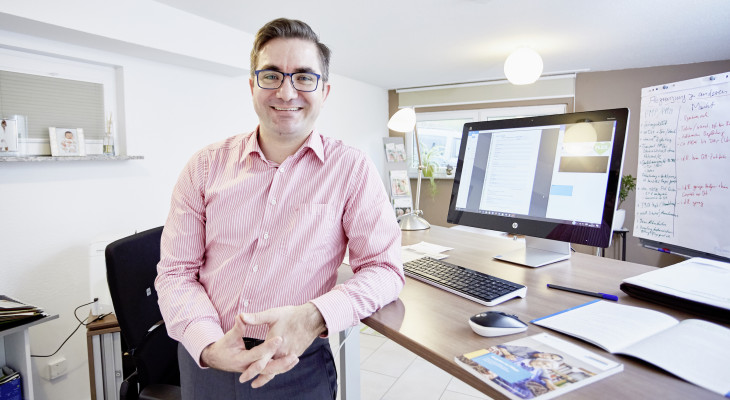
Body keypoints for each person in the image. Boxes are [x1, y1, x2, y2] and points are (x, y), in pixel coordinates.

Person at [155, 18, 404, 400]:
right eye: (271, 75)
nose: (287, 93)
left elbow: (384, 269)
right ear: (252, 85)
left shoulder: (352, 169)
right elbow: (176, 272)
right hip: (207, 360)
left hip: (297, 368)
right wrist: (208, 345)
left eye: (304, 77)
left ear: (324, 91)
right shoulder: (203, 167)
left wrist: (314, 316)